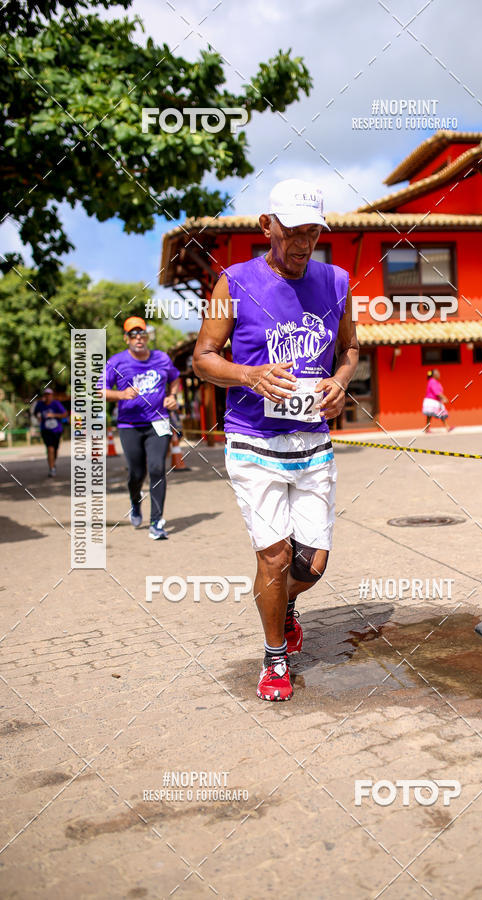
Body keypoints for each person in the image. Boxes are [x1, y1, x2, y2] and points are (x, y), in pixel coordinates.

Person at [193, 178, 359, 702]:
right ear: (268, 226)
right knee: (274, 556)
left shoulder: (336, 281)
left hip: (313, 444)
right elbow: (203, 358)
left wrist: (340, 382)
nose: (303, 243)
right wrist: (250, 376)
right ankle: (274, 658)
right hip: (252, 442)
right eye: (292, 231)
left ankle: (285, 606)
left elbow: (351, 349)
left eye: (313, 231)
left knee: (311, 564)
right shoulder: (234, 282)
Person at [101, 317, 180, 539]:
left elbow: (175, 378)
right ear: (126, 339)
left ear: (147, 337)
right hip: (129, 425)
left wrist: (173, 396)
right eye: (133, 335)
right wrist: (121, 394)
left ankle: (156, 523)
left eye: (142, 334)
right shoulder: (116, 362)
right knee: (136, 473)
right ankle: (135, 503)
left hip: (158, 422)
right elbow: (101, 390)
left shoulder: (162, 358)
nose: (138, 338)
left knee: (156, 469)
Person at [34, 387, 67, 476]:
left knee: (55, 450)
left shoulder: (56, 404)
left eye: (49, 395)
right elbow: (35, 413)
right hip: (46, 430)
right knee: (50, 449)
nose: (47, 396)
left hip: (57, 430)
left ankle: (53, 463)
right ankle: (52, 469)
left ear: (52, 396)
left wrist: (54, 415)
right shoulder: (40, 404)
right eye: (46, 395)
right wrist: (38, 417)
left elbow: (65, 414)